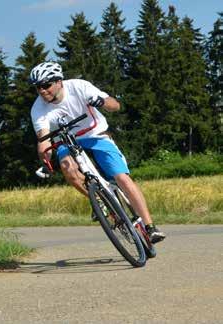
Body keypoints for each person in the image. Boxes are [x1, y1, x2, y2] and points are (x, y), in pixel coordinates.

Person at [29, 61, 166, 244]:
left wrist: (101, 102)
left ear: (59, 82)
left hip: (96, 134)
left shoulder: (79, 86)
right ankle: (98, 200)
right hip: (67, 140)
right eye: (38, 87)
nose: (42, 91)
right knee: (67, 167)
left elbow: (115, 105)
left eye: (46, 85)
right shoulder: (38, 108)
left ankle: (150, 227)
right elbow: (43, 139)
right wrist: (45, 159)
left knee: (122, 178)